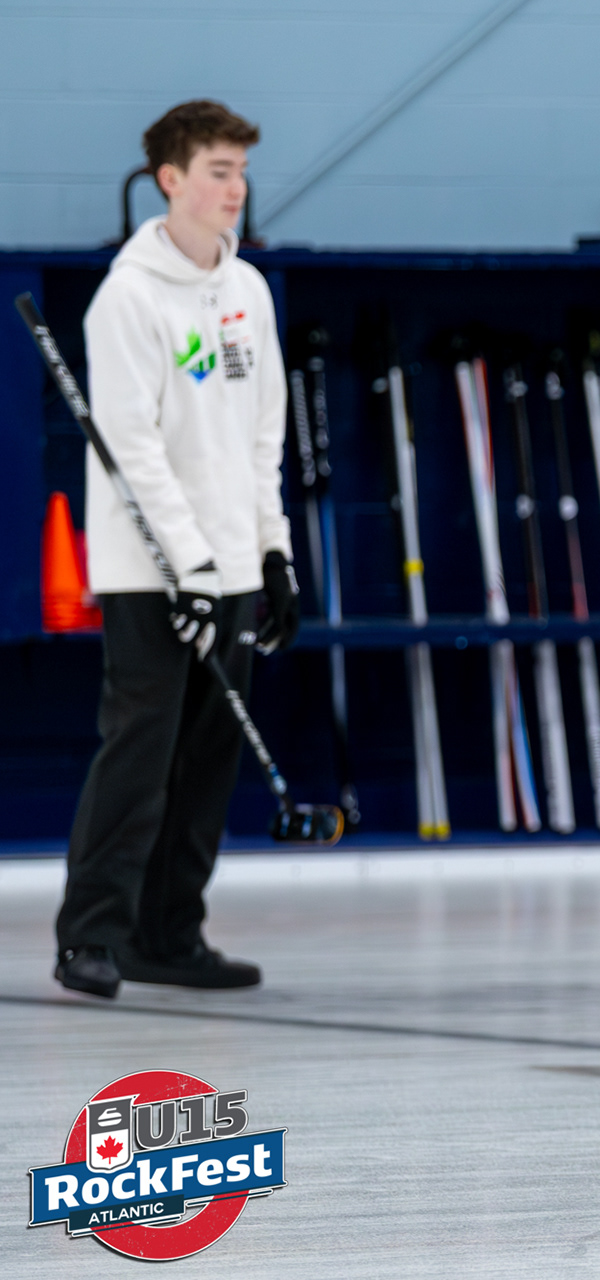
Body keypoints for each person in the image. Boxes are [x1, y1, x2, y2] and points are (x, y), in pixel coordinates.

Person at [53, 100, 299, 1000]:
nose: (235, 190)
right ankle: (90, 937)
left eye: (241, 173)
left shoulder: (248, 291)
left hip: (230, 569)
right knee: (141, 752)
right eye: (218, 172)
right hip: (149, 575)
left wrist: (273, 555)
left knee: (206, 762)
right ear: (171, 179)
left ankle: (168, 936)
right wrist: (188, 565)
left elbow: (263, 437)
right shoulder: (128, 298)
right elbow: (133, 449)